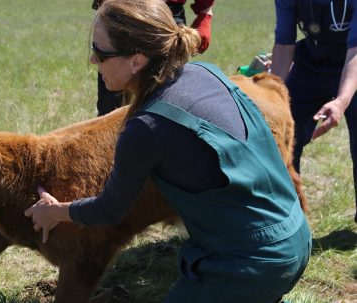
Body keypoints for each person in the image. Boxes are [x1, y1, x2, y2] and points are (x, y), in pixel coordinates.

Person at [25, 0, 311, 301]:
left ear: (136, 61)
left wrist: (55, 212)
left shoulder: (146, 127)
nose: (94, 61)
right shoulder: (205, 73)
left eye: (100, 52)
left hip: (250, 262)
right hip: (295, 235)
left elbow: (110, 210)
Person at [270, 0, 357, 223]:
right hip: (312, 63)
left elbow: (355, 49)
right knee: (283, 136)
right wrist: (274, 96)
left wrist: (341, 101)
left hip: (353, 63)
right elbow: (284, 44)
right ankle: (287, 217)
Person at [92, 0, 215, 116]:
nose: (92, 60)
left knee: (166, 96)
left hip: (162, 16)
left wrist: (205, 12)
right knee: (110, 100)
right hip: (122, 13)